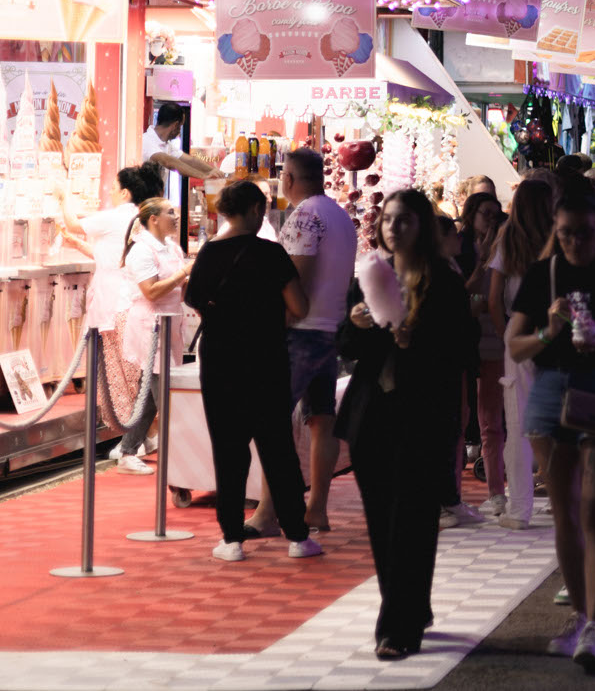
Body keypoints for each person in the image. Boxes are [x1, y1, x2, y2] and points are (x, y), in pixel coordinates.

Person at [509, 187, 595, 670]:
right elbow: (516, 346)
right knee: (564, 512)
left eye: (584, 234)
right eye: (564, 234)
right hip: (550, 392)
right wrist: (549, 330)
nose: (574, 243)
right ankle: (581, 617)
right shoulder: (542, 274)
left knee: (594, 507)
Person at [338, 188, 478, 660]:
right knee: (381, 521)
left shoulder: (443, 280)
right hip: (371, 414)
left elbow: (462, 351)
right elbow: (345, 346)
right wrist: (358, 325)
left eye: (404, 221)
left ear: (422, 226)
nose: (393, 229)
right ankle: (408, 607)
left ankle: (397, 626)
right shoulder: (371, 273)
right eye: (388, 221)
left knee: (414, 519)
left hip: (421, 415)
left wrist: (416, 339)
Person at [181, 182, 319, 563]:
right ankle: (298, 536)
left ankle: (231, 538)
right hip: (267, 359)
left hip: (221, 360)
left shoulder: (209, 253)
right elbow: (300, 306)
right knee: (277, 447)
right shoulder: (272, 254)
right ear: (257, 209)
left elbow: (194, 300)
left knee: (228, 448)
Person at [246, 148, 357, 539]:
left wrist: (278, 321)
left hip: (300, 331)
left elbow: (294, 281)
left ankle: (267, 512)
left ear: (289, 178)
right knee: (321, 422)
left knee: (274, 422)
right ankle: (317, 509)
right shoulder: (340, 215)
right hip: (329, 330)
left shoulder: (307, 215)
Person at [83, 164, 164, 458]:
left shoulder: (128, 221)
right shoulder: (140, 226)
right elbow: (113, 258)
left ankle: (136, 442)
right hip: (133, 313)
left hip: (126, 312)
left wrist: (62, 196)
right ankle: (142, 439)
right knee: (140, 382)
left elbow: (73, 221)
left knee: (132, 383)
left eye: (113, 187)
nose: (110, 192)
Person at [486, 178, 553, 530]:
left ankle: (520, 508)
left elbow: (495, 297)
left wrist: (504, 332)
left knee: (519, 422)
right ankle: (561, 498)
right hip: (556, 332)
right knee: (555, 420)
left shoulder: (508, 239)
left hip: (519, 331)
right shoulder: (556, 239)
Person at [111, 194, 191, 471]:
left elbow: (180, 286)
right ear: (154, 219)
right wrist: (184, 274)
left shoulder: (171, 247)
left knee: (149, 394)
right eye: (171, 212)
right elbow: (151, 291)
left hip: (171, 323)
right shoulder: (141, 250)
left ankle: (128, 450)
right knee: (164, 391)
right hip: (151, 327)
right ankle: (182, 455)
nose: (176, 217)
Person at [460, 191, 513, 518]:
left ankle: (496, 491)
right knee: (460, 419)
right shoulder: (461, 247)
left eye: (496, 214)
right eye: (484, 213)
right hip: (463, 340)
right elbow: (458, 293)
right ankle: (453, 497)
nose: (491, 220)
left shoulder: (507, 250)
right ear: (471, 215)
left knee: (491, 422)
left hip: (493, 339)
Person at [140, 101, 215, 211]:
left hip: (154, 203)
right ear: (175, 125)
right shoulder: (147, 140)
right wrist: (203, 176)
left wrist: (213, 171)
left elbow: (191, 160)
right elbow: (169, 162)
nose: (179, 132)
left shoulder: (166, 144)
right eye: (180, 126)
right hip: (143, 204)